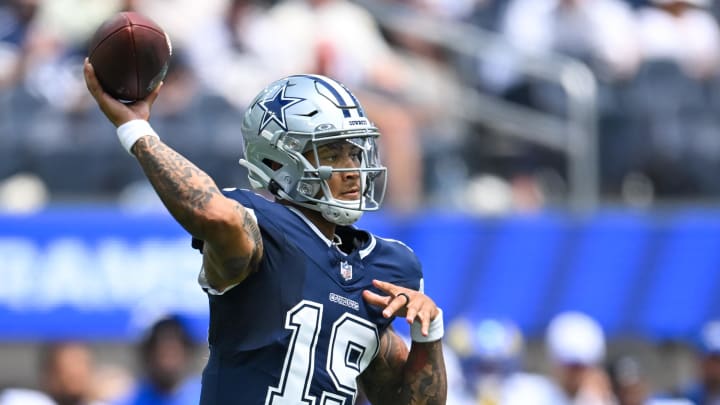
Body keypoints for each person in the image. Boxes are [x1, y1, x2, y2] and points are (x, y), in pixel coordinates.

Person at [82, 59, 447, 404]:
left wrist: (427, 333)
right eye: (332, 154)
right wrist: (136, 129)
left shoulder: (386, 267)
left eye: (354, 152)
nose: (352, 169)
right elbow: (215, 215)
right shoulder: (262, 231)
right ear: (278, 162)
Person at [113, 316, 201, 405]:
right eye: (162, 352)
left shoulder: (206, 396)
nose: (168, 360)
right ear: (147, 355)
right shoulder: (130, 400)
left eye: (174, 351)